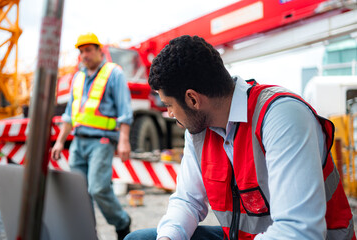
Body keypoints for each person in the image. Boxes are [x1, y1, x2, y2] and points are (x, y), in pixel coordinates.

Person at [124, 35, 356, 240]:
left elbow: (300, 231)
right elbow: (188, 201)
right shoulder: (198, 132)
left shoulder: (281, 116)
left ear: (193, 99)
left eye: (169, 105)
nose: (170, 114)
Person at [51, 32, 132, 240]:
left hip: (102, 141)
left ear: (99, 50)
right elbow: (70, 114)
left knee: (97, 188)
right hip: (78, 142)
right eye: (81, 51)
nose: (84, 55)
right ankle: (89, 234)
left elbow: (125, 110)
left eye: (88, 50)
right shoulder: (78, 78)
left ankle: (122, 223)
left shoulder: (114, 73)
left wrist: (123, 140)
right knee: (80, 194)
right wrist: (60, 141)